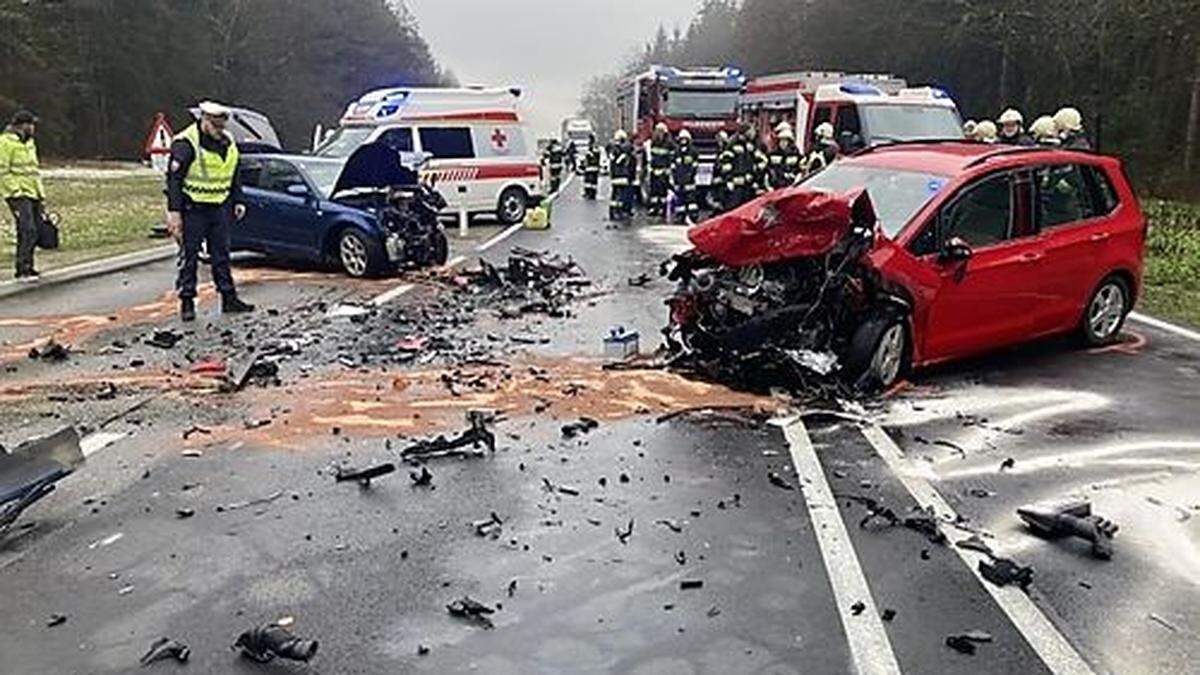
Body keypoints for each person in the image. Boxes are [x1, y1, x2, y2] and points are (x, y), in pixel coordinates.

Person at [166, 100, 254, 322]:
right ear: (204, 121)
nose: (220, 131)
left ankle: (229, 298)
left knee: (222, 254)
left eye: (222, 126)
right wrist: (174, 213)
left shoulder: (228, 140)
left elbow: (234, 172)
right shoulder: (187, 143)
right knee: (190, 256)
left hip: (219, 206)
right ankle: (187, 301)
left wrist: (238, 199)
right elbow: (174, 180)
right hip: (193, 208)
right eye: (216, 126)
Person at [0, 110, 45, 280]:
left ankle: (27, 265)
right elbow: (3, 170)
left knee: (32, 229)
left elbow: (33, 170)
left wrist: (40, 193)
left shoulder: (29, 143)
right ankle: (23, 267)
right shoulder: (5, 142)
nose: (33, 128)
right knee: (28, 229)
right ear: (22, 125)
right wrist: (15, 191)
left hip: (32, 191)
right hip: (17, 194)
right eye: (30, 124)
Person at [670, 129, 699, 224]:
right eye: (681, 139)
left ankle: (693, 216)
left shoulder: (693, 151)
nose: (683, 141)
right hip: (678, 180)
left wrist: (690, 177)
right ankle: (680, 216)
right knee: (680, 200)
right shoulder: (676, 152)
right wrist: (675, 179)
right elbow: (673, 167)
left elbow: (695, 167)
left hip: (689, 181)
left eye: (685, 139)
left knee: (691, 200)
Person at [647, 122, 674, 220]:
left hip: (664, 171)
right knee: (654, 192)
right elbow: (651, 156)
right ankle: (654, 208)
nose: (658, 133)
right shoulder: (654, 142)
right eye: (657, 131)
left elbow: (672, 157)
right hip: (654, 171)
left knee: (663, 192)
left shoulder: (669, 143)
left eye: (660, 131)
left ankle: (662, 209)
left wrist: (668, 170)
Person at [608, 129, 634, 222]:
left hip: (615, 176)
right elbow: (630, 164)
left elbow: (612, 163)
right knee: (623, 195)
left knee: (614, 195)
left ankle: (613, 212)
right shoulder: (626, 151)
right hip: (623, 176)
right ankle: (620, 212)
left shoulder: (612, 150)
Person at [713, 130, 735, 212]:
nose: (718, 142)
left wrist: (728, 180)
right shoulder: (719, 151)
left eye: (719, 140)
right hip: (719, 183)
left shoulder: (727, 151)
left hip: (725, 182)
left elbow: (728, 168)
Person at [581, 134, 601, 200]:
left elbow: (587, 158)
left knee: (588, 182)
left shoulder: (590, 149)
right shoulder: (597, 149)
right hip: (595, 168)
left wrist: (584, 165)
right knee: (593, 182)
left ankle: (588, 193)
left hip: (589, 168)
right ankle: (593, 194)